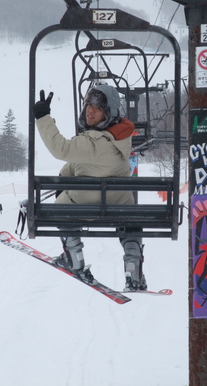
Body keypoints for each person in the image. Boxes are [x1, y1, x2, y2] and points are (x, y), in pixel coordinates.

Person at [33, 85, 147, 291]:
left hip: (85, 205)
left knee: (61, 207)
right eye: (88, 104)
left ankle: (73, 257)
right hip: (120, 207)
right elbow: (82, 164)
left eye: (97, 107)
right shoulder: (119, 139)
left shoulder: (94, 143)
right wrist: (66, 173)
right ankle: (134, 270)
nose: (89, 110)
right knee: (132, 220)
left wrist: (43, 118)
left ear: (108, 112)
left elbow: (61, 149)